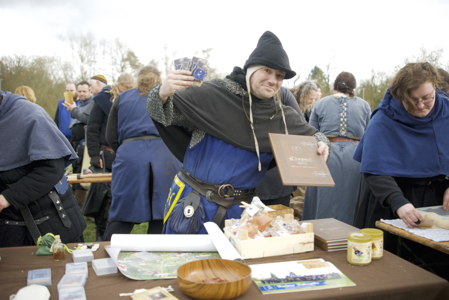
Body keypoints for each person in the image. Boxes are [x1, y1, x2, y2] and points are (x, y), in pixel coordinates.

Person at [146, 31, 330, 234]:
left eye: (279, 76)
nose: (273, 80)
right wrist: (162, 92)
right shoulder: (214, 95)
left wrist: (322, 143)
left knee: (233, 265)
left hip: (239, 217)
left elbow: (313, 135)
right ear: (251, 70)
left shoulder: (280, 116)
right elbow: (162, 111)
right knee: (184, 263)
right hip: (194, 208)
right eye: (267, 71)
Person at [353, 62, 449, 278]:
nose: (422, 106)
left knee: (435, 271)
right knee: (389, 272)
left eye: (427, 98)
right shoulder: (383, 119)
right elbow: (374, 170)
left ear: (435, 87)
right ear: (399, 96)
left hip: (437, 201)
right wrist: (398, 202)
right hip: (393, 201)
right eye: (412, 101)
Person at [103, 67, 181, 240]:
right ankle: (156, 258)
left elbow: (111, 136)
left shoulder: (122, 98)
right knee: (162, 212)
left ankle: (107, 251)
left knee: (123, 212)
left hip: (130, 157)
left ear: (138, 79)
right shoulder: (170, 97)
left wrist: (126, 152)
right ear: (159, 79)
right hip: (165, 157)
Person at [0, 91, 86, 247]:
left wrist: (6, 199)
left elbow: (51, 169)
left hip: (53, 221)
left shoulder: (30, 114)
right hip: (8, 230)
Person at [302, 72, 371, 225]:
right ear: (354, 87)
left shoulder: (320, 103)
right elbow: (369, 135)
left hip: (325, 155)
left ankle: (319, 234)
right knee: (351, 199)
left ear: (334, 86)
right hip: (356, 158)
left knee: (324, 199)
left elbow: (311, 132)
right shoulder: (364, 105)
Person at [83, 74, 117, 241]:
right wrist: (94, 156)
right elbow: (92, 129)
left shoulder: (123, 101)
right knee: (101, 197)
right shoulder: (101, 100)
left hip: (119, 156)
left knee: (115, 197)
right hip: (104, 155)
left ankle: (112, 235)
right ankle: (101, 235)